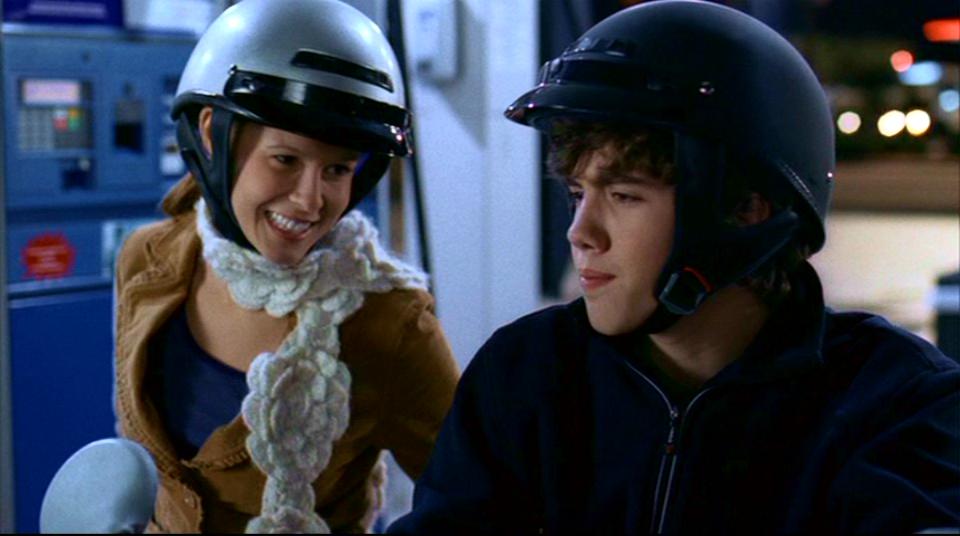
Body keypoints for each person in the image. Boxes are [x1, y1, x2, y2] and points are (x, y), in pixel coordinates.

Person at [388, 1, 960, 534]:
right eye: (577, 194)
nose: (580, 233)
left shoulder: (895, 403)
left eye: (624, 196)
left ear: (746, 210)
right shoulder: (525, 374)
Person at [112, 0, 460, 532]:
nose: (310, 200)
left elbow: (481, 500)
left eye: (337, 169)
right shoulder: (148, 258)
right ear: (213, 134)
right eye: (286, 159)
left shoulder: (390, 322)